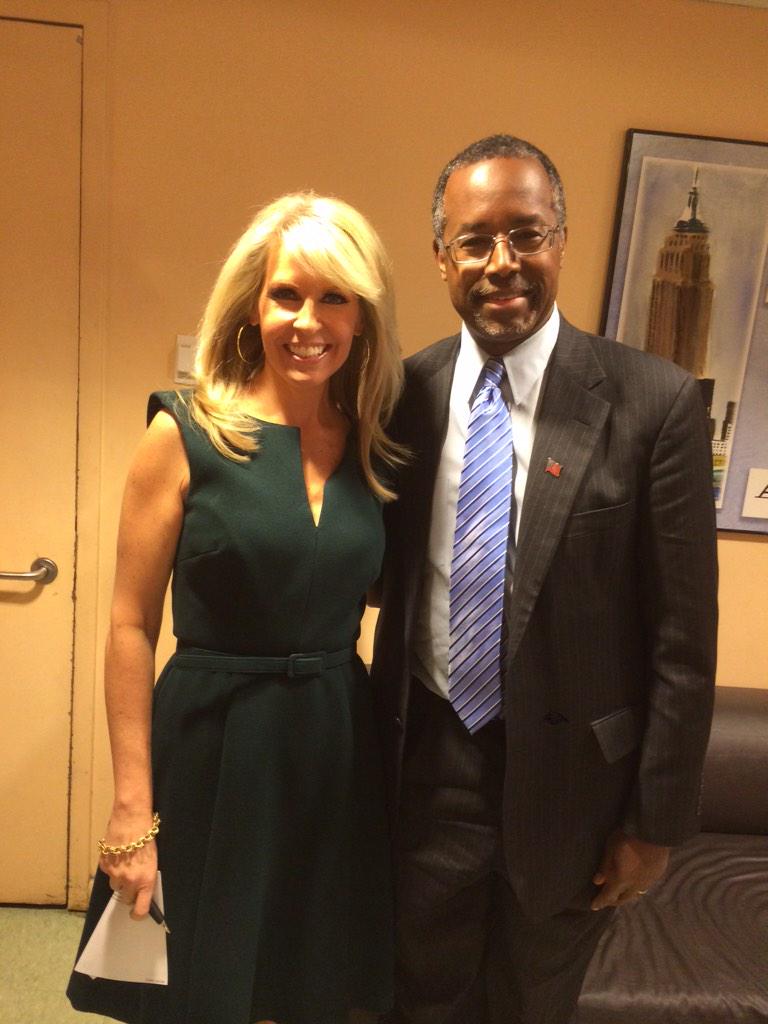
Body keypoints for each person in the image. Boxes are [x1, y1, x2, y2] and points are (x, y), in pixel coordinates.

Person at [371, 134, 718, 1024]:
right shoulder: (401, 398)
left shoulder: (655, 403)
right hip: (430, 772)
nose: (503, 262)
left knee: (534, 1007)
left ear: (561, 239)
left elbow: (683, 642)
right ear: (442, 255)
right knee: (421, 1003)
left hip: (578, 796)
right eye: (475, 240)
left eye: (526, 234)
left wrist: (655, 825)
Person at [67, 192, 404, 1024]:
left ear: (361, 317)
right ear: (255, 305)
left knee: (309, 980)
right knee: (194, 983)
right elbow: (130, 626)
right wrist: (132, 808)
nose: (308, 321)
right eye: (287, 294)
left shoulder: (374, 447)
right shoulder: (184, 432)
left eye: (334, 298)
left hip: (334, 747)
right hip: (213, 744)